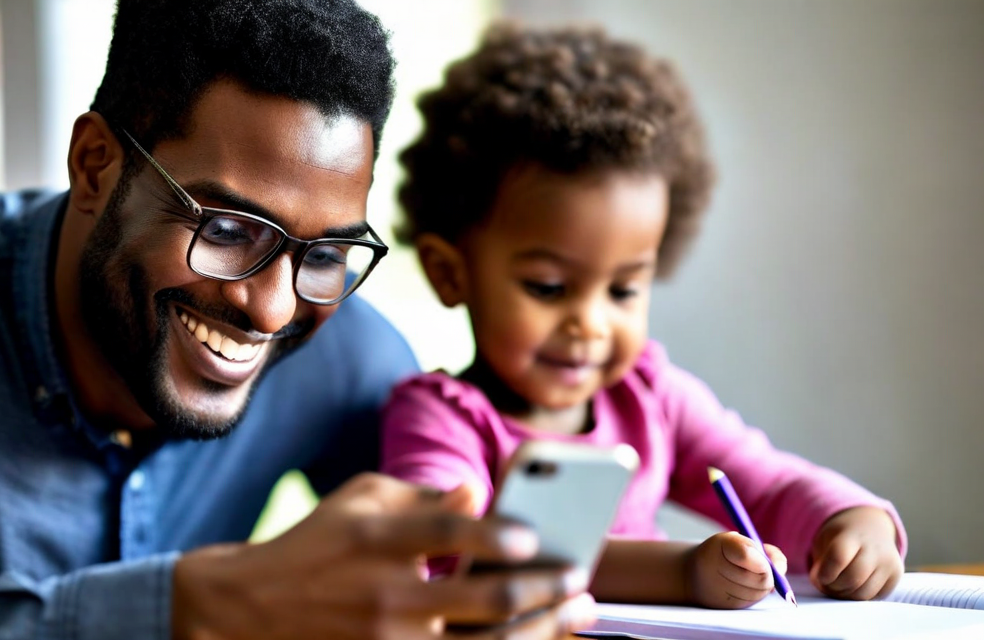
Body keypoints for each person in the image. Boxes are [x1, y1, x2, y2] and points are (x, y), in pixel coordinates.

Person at [0, 2, 596, 638]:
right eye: (227, 230)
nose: (272, 307)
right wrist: (194, 609)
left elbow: (457, 569)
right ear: (97, 165)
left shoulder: (341, 347)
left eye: (327, 250)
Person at [383, 21, 907, 609]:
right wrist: (680, 572)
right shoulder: (440, 420)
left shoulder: (650, 397)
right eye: (549, 288)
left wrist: (853, 519)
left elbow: (770, 482)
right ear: (450, 272)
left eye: (624, 290)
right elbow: (456, 558)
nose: (591, 324)